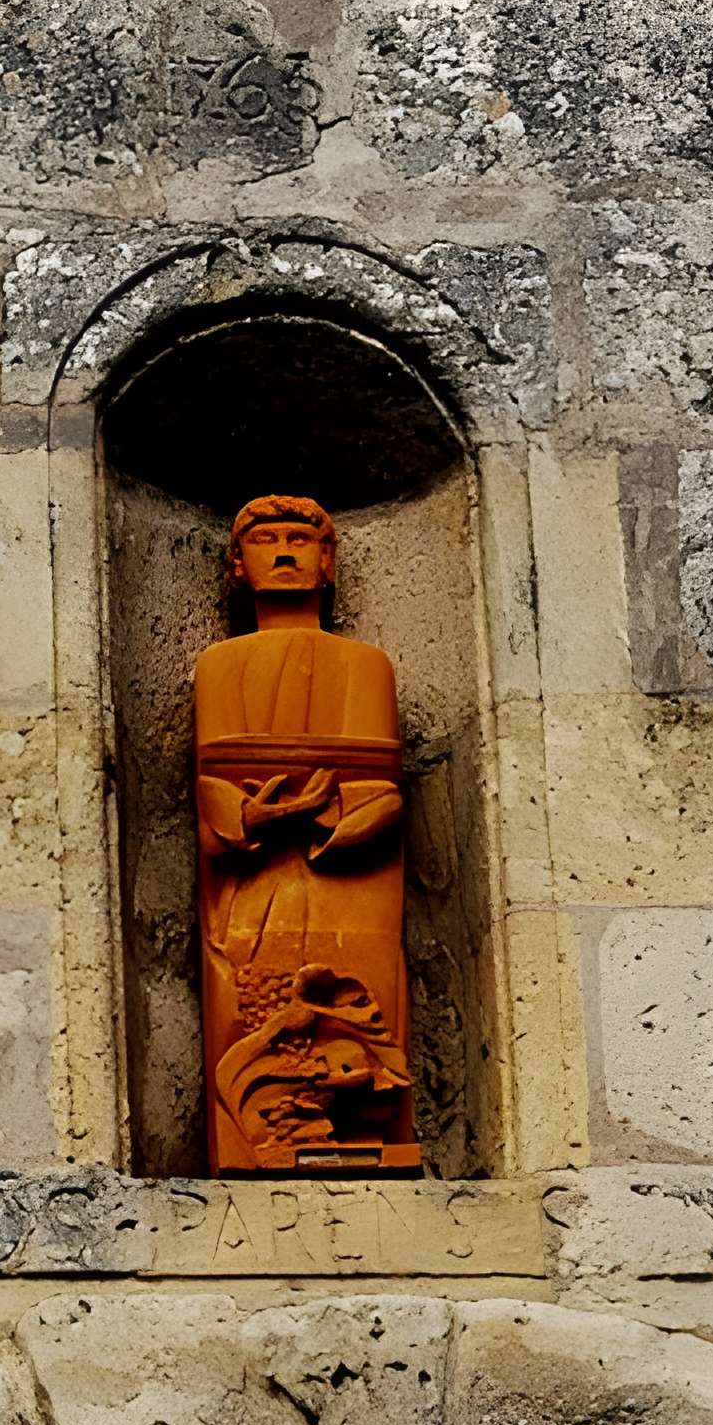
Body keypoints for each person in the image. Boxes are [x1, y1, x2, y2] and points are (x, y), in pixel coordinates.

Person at [192, 495, 419, 1173]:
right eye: (265, 541)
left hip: (350, 878)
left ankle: (368, 1124)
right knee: (253, 996)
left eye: (300, 539)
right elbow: (215, 782)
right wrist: (257, 816)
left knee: (360, 997)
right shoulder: (220, 666)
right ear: (238, 565)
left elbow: (379, 787)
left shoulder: (366, 666)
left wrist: (320, 813)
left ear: (328, 561)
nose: (285, 552)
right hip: (253, 880)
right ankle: (266, 1130)